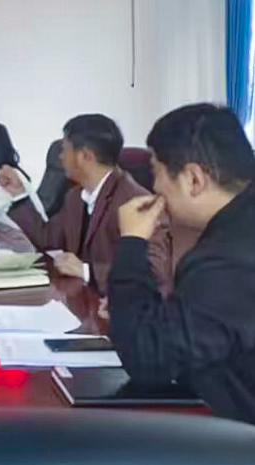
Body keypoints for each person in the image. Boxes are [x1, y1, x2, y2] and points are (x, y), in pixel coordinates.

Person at [108, 103, 255, 424]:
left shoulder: (227, 259)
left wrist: (132, 242)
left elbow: (148, 359)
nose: (155, 188)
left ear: (193, 179)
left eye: (157, 172)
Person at [0, 114, 172, 295]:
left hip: (117, 305)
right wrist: (18, 194)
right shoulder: (75, 197)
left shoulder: (137, 202)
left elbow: (154, 271)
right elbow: (46, 238)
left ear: (85, 156)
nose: (60, 157)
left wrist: (87, 271)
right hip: (82, 300)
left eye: (65, 150)